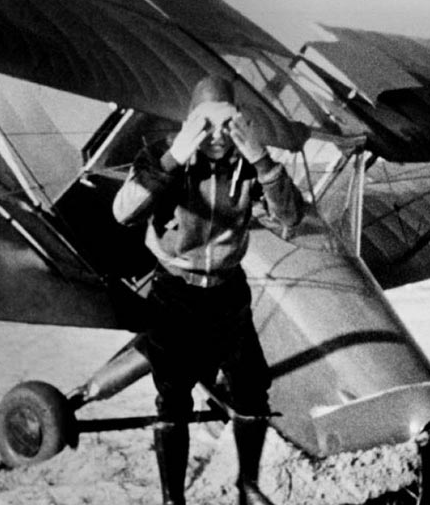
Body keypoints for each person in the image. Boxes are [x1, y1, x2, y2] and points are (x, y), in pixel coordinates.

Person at [112, 76, 304, 505]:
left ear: (241, 122)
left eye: (227, 124)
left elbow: (291, 217)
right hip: (174, 292)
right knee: (174, 395)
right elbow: (123, 213)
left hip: (226, 293)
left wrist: (261, 158)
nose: (218, 137)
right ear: (190, 122)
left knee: (253, 388)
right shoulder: (162, 156)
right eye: (206, 124)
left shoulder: (250, 163)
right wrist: (175, 157)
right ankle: (172, 499)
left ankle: (247, 485)